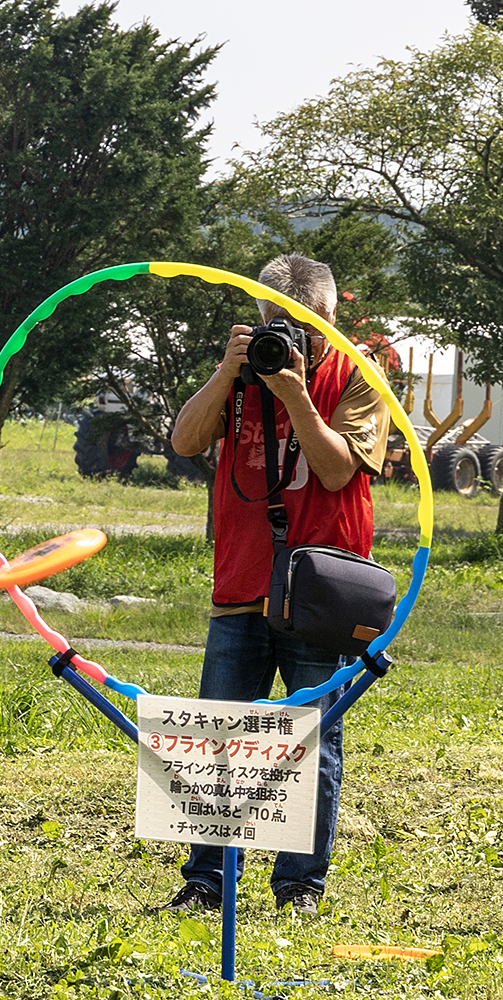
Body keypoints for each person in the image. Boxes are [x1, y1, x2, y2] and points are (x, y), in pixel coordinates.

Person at [158, 254, 389, 917]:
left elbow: (338, 472)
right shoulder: (244, 370)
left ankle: (299, 887)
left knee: (313, 739)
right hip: (242, 579)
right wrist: (226, 372)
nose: (289, 339)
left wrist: (295, 396)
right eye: (274, 322)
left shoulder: (358, 375)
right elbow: (185, 441)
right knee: (218, 738)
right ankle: (207, 880)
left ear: (331, 317)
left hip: (322, 589)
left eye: (304, 327)